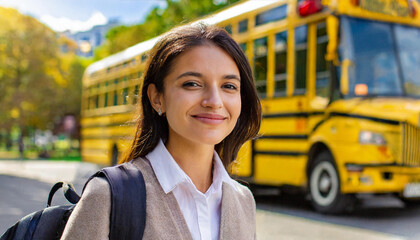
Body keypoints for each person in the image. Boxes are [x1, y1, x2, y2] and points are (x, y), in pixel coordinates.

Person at [61, 23, 261, 240]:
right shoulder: (108, 196)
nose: (214, 101)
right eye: (192, 84)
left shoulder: (243, 201)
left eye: (229, 86)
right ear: (157, 97)